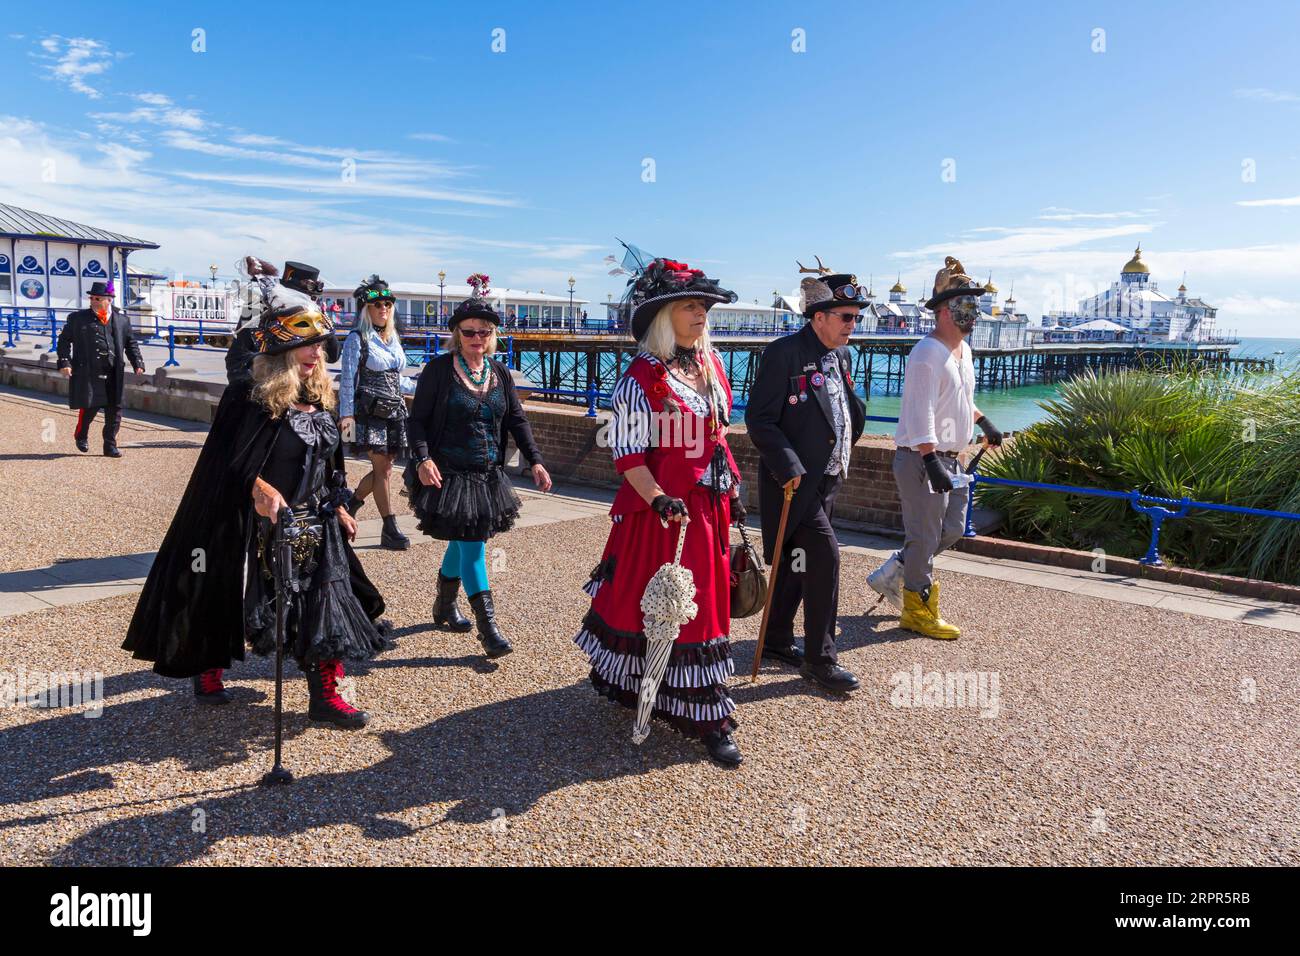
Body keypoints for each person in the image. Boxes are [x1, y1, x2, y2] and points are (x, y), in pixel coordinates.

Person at [123, 261, 387, 728]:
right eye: (303, 344)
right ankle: (208, 665)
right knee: (220, 587)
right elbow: (228, 460)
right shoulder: (251, 393)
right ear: (281, 348)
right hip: (251, 521)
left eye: (319, 344)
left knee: (326, 595)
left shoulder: (321, 394)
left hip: (311, 516)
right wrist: (256, 487)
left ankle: (326, 694)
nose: (314, 353)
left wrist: (341, 504)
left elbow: (331, 462)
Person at [573, 256, 747, 766]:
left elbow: (717, 434)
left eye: (704, 308)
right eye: (691, 307)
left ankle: (701, 706)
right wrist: (660, 499)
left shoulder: (709, 365)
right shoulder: (640, 379)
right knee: (669, 607)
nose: (702, 316)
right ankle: (704, 714)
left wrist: (731, 488)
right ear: (663, 316)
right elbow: (627, 454)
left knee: (705, 606)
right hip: (663, 515)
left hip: (707, 508)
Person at [406, 273, 552, 659]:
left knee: (464, 540)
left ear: (493, 336)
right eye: (469, 332)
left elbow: (516, 420)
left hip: (487, 473)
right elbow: (416, 420)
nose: (476, 338)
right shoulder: (438, 371)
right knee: (474, 549)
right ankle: (489, 630)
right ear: (457, 333)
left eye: (484, 332)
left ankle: (443, 604)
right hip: (447, 472)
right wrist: (423, 459)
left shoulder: (500, 373)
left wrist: (535, 461)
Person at [866, 257, 1003, 639]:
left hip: (953, 459)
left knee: (954, 529)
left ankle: (896, 571)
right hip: (922, 459)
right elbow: (922, 410)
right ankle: (918, 608)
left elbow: (957, 400)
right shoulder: (927, 353)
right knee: (924, 536)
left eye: (975, 307)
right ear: (943, 312)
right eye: (964, 307)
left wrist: (982, 421)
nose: (972, 314)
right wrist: (929, 459)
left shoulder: (965, 352)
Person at [746, 262, 867, 693]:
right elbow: (759, 419)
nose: (854, 324)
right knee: (825, 558)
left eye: (857, 317)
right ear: (819, 318)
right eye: (847, 317)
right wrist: (790, 466)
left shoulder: (844, 354)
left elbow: (845, 404)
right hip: (794, 481)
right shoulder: (783, 354)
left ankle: (777, 639)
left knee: (797, 564)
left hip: (830, 476)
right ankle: (820, 660)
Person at [339, 275, 418, 550]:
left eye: (387, 303)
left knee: (384, 467)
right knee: (383, 469)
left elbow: (398, 379)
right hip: (369, 412)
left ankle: (352, 502)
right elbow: (347, 380)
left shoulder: (392, 338)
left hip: (395, 411)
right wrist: (346, 418)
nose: (383, 308)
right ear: (366, 309)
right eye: (377, 305)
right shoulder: (356, 339)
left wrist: (424, 385)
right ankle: (389, 527)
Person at [57, 280, 145, 457]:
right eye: (92, 298)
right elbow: (64, 341)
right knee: (90, 407)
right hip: (88, 371)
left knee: (115, 410)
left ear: (109, 299)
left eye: (98, 298)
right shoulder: (77, 318)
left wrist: (138, 363)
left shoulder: (122, 320)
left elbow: (131, 344)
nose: (94, 301)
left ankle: (110, 445)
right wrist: (65, 362)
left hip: (114, 371)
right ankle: (81, 435)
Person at [226, 259, 338, 386]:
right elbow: (236, 357)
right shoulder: (255, 307)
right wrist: (248, 391)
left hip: (304, 391)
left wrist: (323, 318)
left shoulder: (314, 314)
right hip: (267, 385)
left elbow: (334, 355)